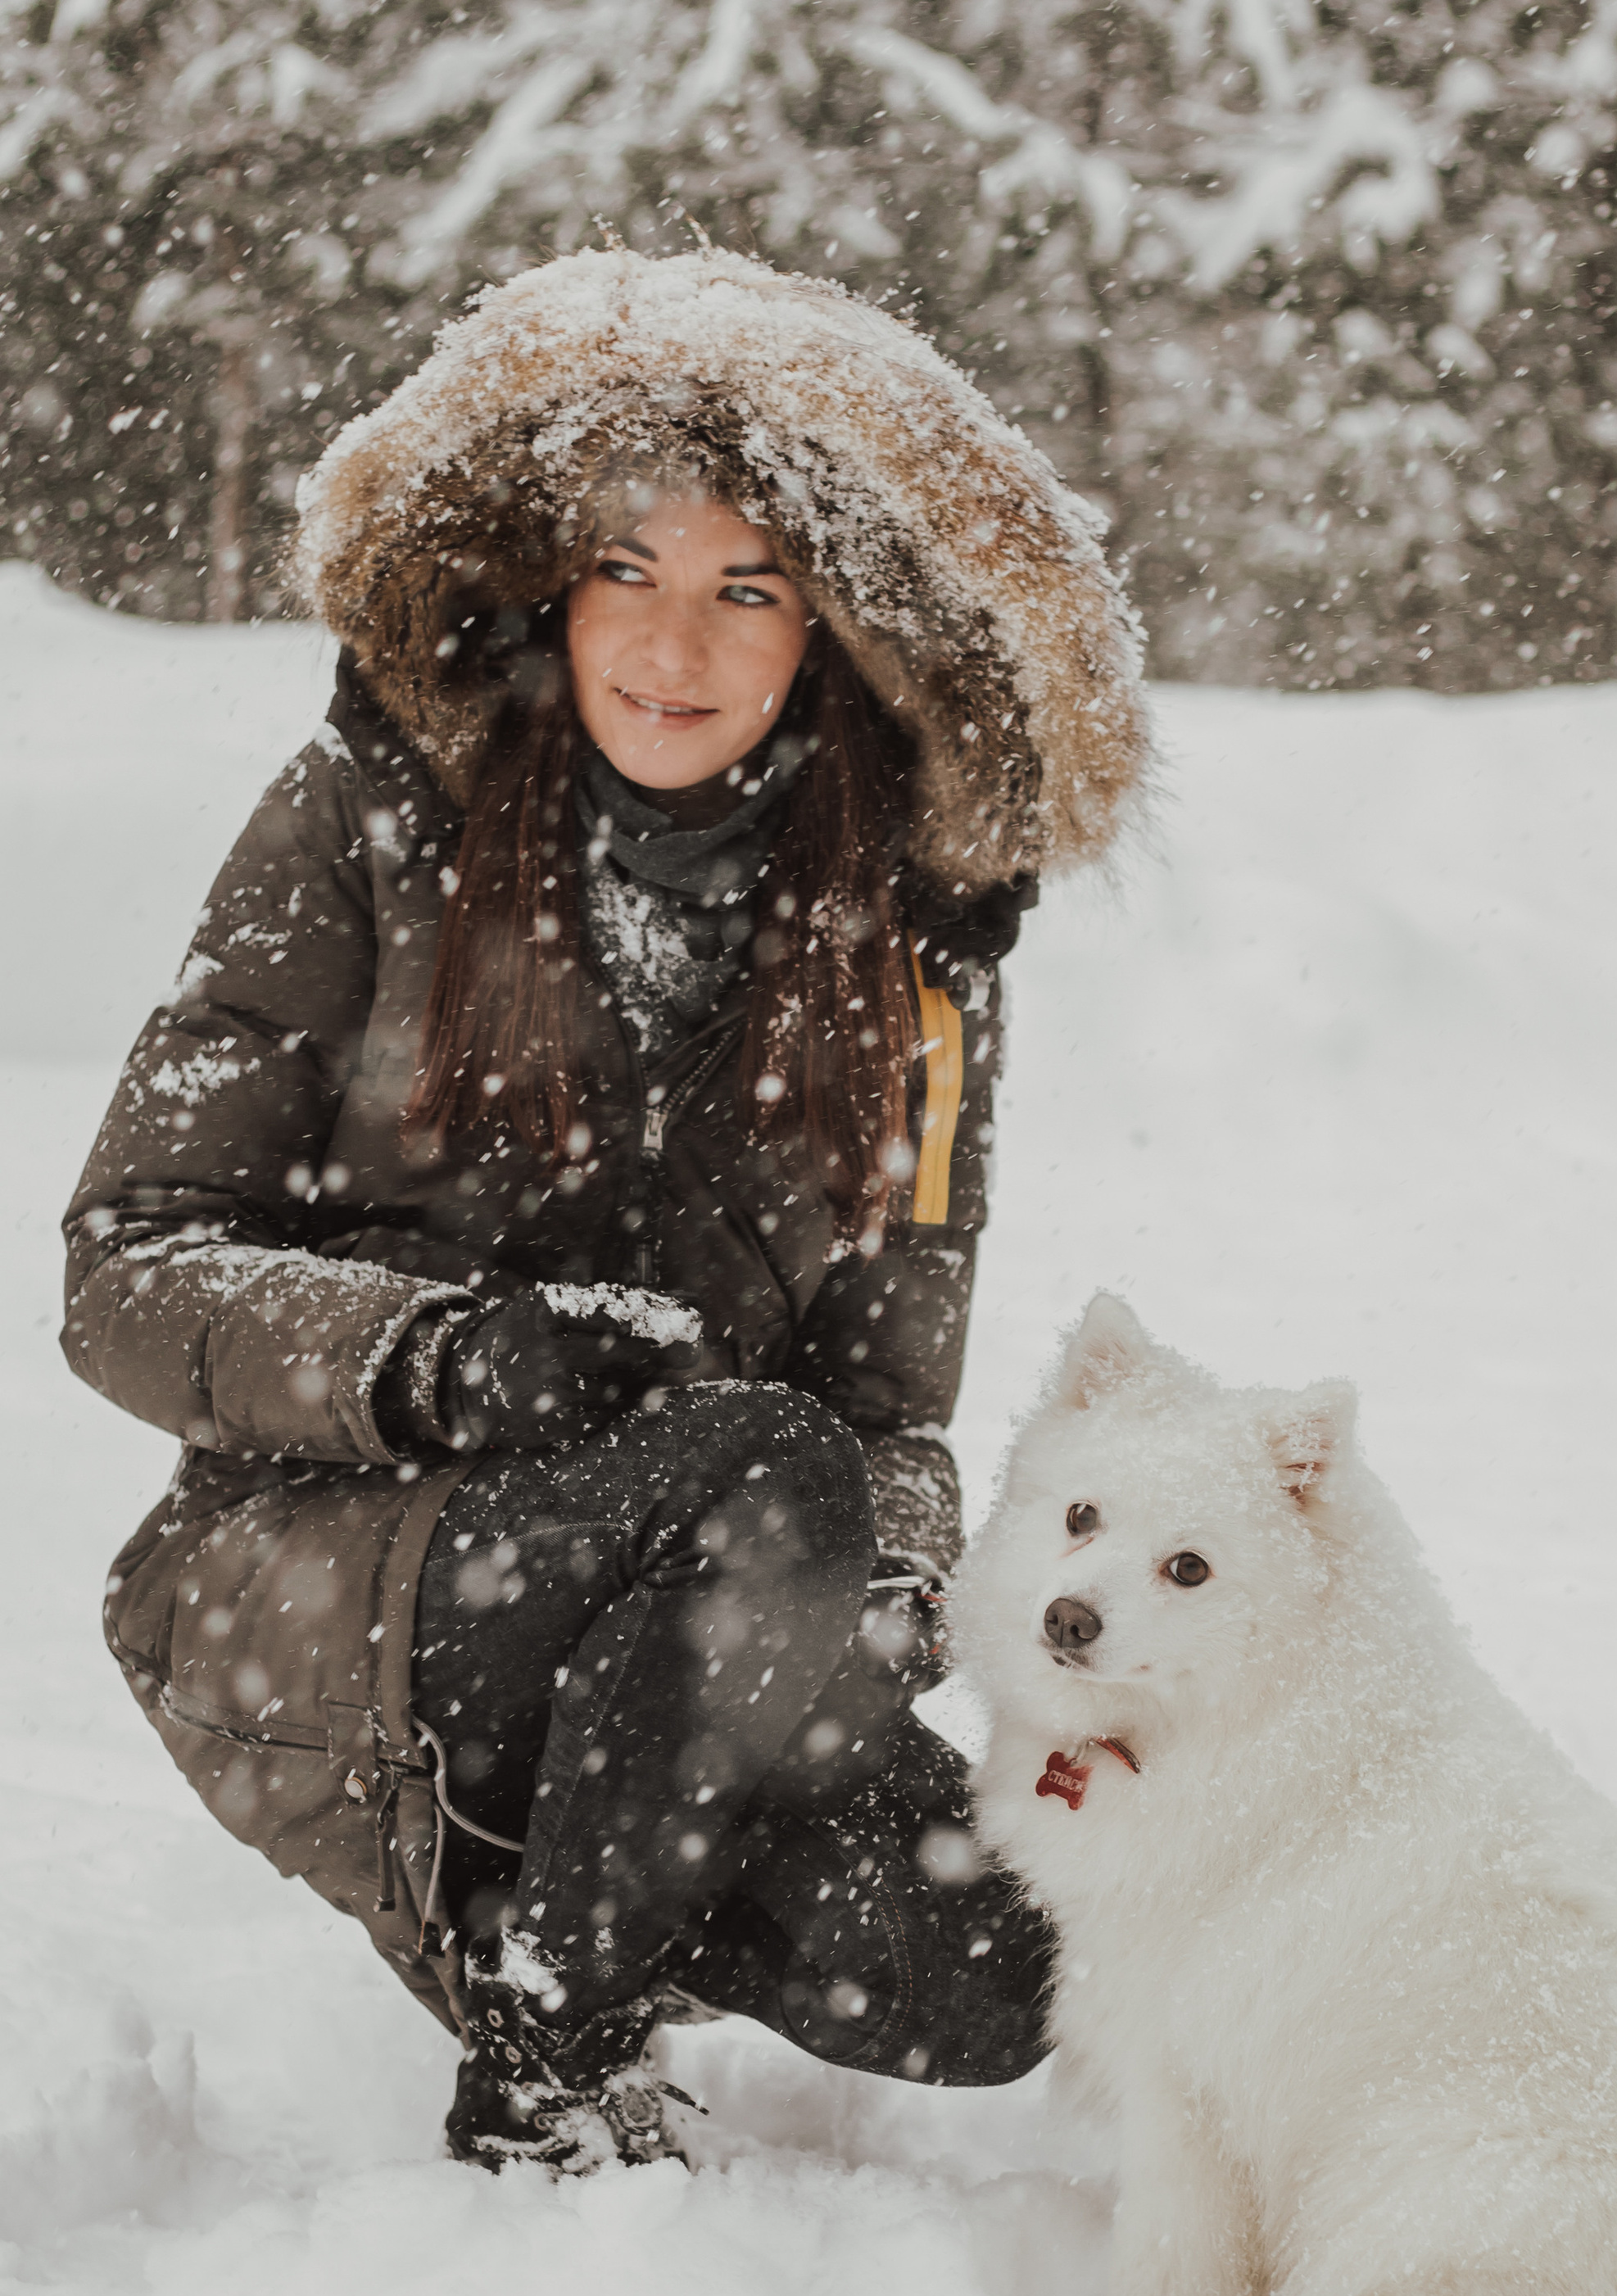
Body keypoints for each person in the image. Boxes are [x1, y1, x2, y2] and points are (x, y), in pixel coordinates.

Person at [61, 246, 1151, 2171]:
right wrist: (438, 1362)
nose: (677, 644)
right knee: (754, 1467)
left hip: (718, 1604)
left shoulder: (915, 949)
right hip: (330, 1579)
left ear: (835, 633)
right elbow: (126, 1270)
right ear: (554, 586)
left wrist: (878, 1617)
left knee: (1003, 1965)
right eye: (629, 571)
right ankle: (554, 2068)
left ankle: (576, 1884)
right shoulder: (368, 819)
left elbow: (885, 1414)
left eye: (750, 590)